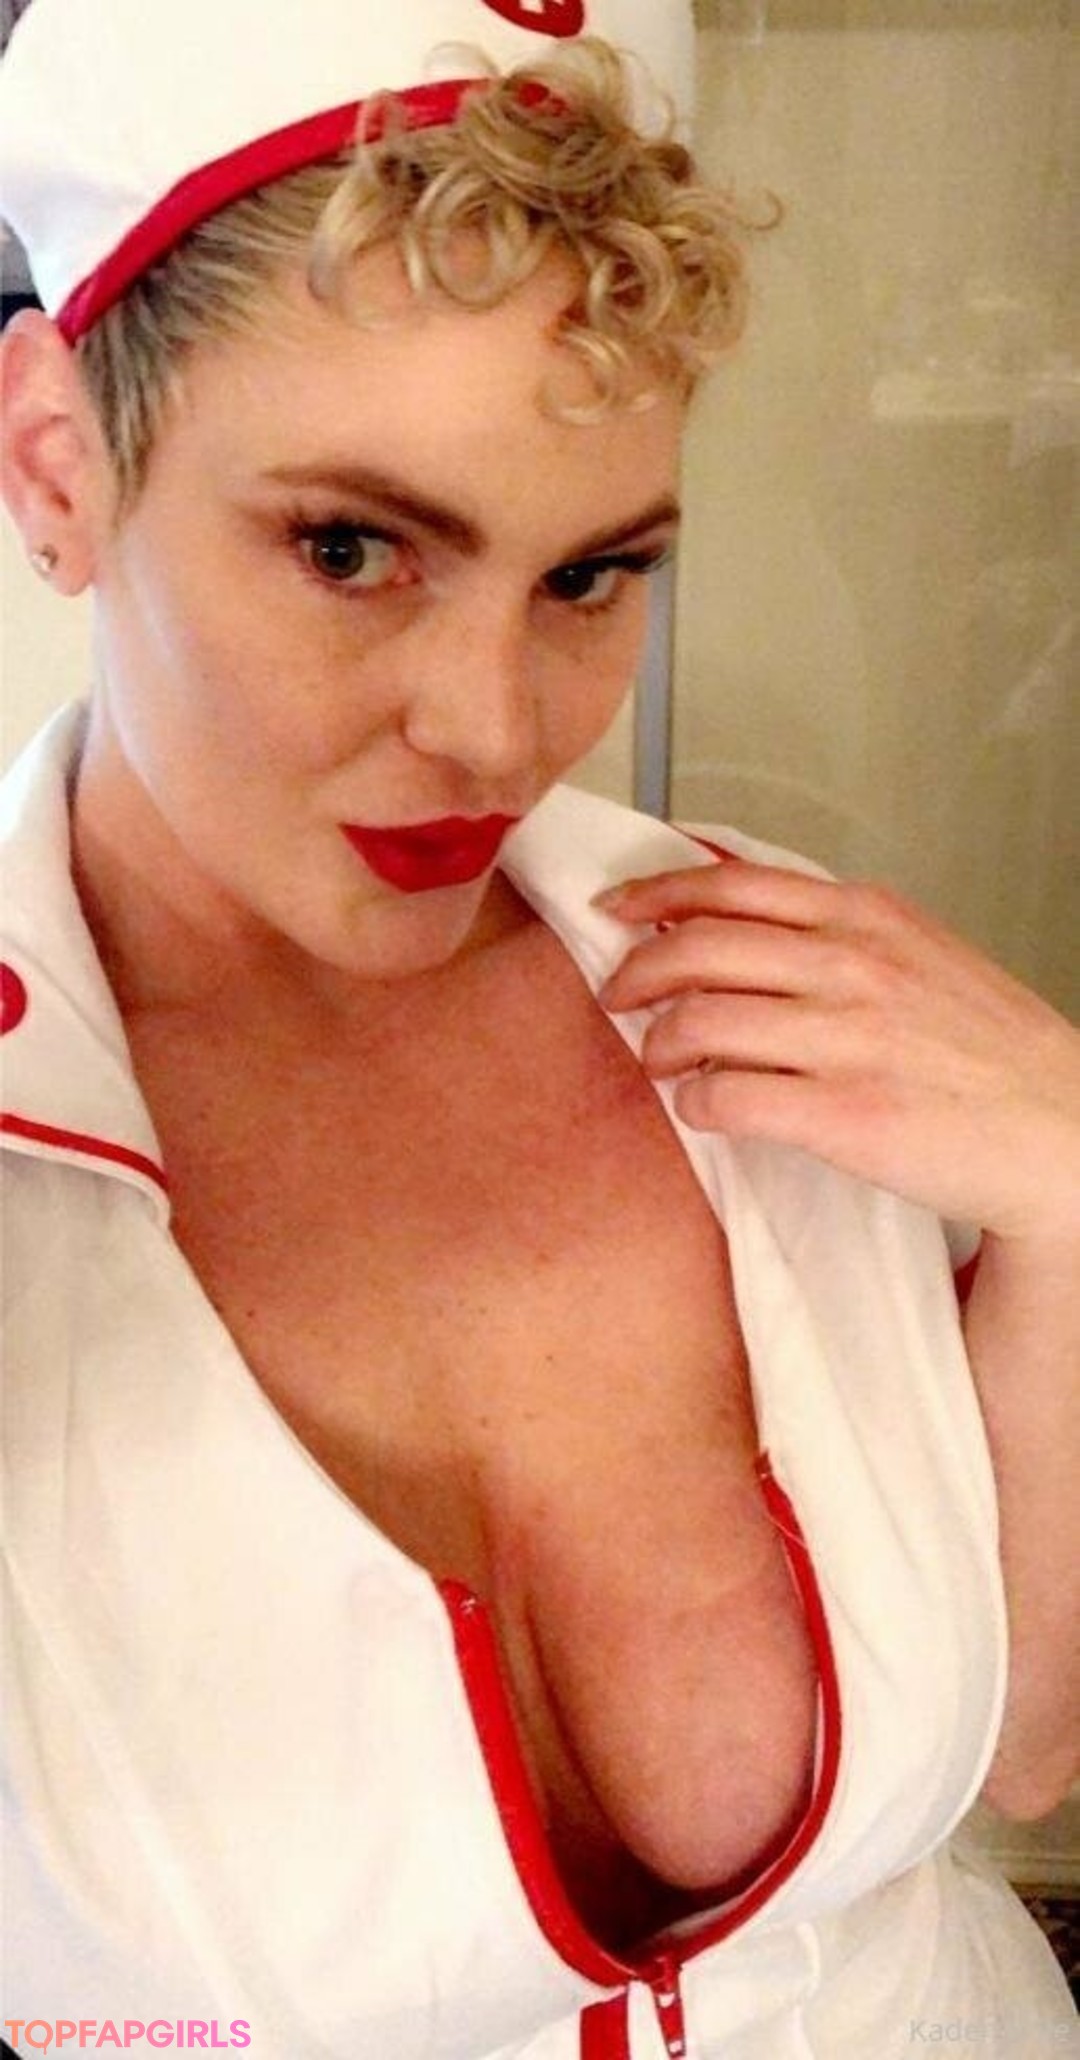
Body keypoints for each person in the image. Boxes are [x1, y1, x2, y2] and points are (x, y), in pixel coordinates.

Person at [1, 1, 1077, 2054]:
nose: (498, 733)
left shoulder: (773, 984)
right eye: (349, 548)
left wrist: (1071, 1196)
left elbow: (1019, 1748)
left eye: (590, 576)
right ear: (59, 462)